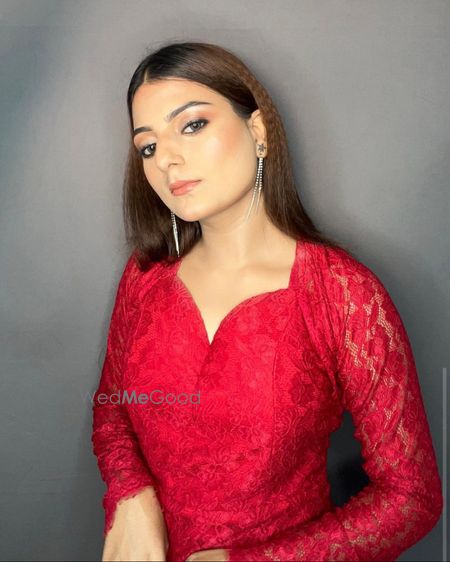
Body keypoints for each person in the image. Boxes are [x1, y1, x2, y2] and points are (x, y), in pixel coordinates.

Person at [91, 41, 443, 562]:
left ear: (257, 131)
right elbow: (113, 410)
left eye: (192, 125)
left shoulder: (341, 296)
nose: (166, 159)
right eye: (147, 146)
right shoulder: (145, 278)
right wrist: (131, 496)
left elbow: (411, 499)